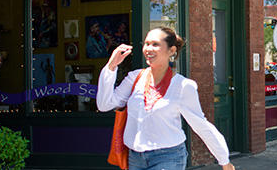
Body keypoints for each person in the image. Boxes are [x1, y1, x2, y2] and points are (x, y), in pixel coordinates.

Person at [96, 27, 235, 170]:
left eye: (155, 44)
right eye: (146, 43)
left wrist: (224, 160)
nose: (148, 49)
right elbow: (104, 104)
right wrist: (111, 67)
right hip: (135, 158)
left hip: (168, 158)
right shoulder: (135, 78)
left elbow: (201, 125)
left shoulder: (183, 86)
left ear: (172, 51)